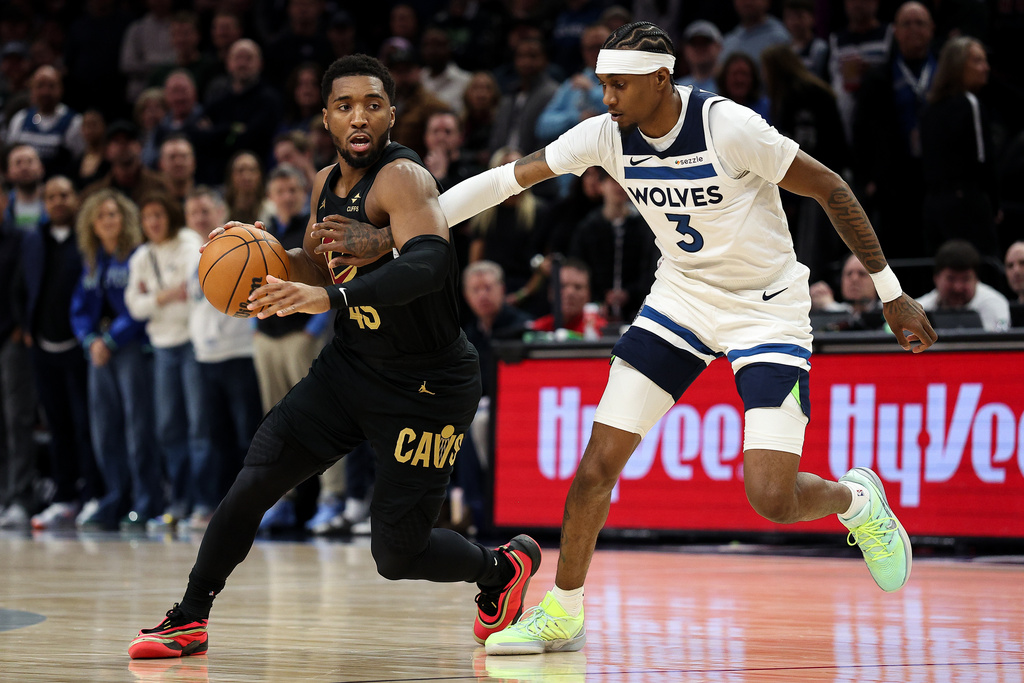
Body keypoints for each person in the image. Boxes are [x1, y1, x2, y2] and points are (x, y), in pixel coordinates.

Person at [326, 21, 938, 656]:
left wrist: (892, 292)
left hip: (766, 311)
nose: (607, 98)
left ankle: (857, 500)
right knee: (597, 465)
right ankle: (563, 611)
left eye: (618, 85)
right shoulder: (605, 135)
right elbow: (507, 179)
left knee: (771, 498)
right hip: (681, 299)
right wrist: (404, 233)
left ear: (661, 81)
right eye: (603, 84)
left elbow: (833, 189)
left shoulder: (730, 128)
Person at [128, 54, 540, 660]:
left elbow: (431, 263)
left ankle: (501, 569)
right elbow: (317, 263)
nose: (359, 116)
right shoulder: (324, 184)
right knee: (254, 481)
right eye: (344, 105)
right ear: (325, 118)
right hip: (351, 367)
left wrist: (331, 295)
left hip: (425, 385)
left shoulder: (405, 180)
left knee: (398, 554)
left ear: (392, 114)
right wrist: (263, 258)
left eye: (373, 103)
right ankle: (189, 617)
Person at [70, 189, 161, 531]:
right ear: (91, 224)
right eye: (101, 215)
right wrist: (90, 340)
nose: (109, 220)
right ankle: (114, 497)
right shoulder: (91, 259)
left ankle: (145, 500)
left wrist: (110, 339)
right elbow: (78, 307)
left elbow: (137, 308)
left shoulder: (136, 255)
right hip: (99, 352)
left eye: (114, 214)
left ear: (124, 219)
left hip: (131, 349)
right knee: (104, 427)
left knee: (138, 427)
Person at [16, 177, 101, 530]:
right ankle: (64, 497)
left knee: (86, 425)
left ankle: (93, 494)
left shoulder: (87, 241)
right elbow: (20, 285)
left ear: (76, 197)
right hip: (44, 347)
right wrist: (26, 328)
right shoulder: (34, 240)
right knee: (57, 426)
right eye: (51, 196)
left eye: (64, 194)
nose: (57, 201)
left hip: (79, 348)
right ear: (44, 203)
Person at [125, 192, 207, 531]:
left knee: (199, 427)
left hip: (191, 344)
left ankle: (203, 503)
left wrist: (153, 297)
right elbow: (134, 305)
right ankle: (179, 503)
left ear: (169, 216)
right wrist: (164, 295)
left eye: (159, 215)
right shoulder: (141, 256)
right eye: (148, 217)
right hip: (161, 346)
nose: (154, 222)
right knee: (169, 427)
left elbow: (191, 293)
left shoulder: (189, 244)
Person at [183, 187, 261, 530]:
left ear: (220, 210)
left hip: (240, 351)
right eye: (194, 212)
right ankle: (209, 506)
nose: (200, 217)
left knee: (248, 435)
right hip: (203, 355)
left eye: (205, 210)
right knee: (209, 437)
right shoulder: (189, 253)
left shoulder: (238, 242)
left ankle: (250, 507)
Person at [852, 1, 936, 261]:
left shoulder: (945, 73)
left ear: (931, 29)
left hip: (936, 178)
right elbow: (861, 131)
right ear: (895, 31)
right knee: (897, 251)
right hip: (893, 182)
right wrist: (867, 179)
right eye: (906, 23)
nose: (913, 29)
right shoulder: (878, 77)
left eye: (920, 23)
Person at [920, 36, 999, 258]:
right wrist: (993, 203)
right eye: (977, 61)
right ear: (957, 66)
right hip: (967, 205)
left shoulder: (928, 109)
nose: (985, 68)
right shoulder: (969, 103)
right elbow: (983, 160)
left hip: (933, 205)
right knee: (980, 268)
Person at [6, 65, 85, 178]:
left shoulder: (74, 122)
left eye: (51, 86)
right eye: (40, 86)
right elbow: (11, 157)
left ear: (61, 89)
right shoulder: (20, 119)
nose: (45, 92)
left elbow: (79, 160)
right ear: (31, 88)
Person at [916, 239, 1011, 332]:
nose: (958, 288)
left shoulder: (995, 305)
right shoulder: (917, 311)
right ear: (936, 278)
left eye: (965, 279)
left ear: (977, 280)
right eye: (951, 279)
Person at [527, 259, 608, 336]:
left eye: (578, 287)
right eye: (562, 286)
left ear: (588, 294)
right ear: (550, 292)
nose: (570, 293)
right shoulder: (537, 330)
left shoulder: (601, 331)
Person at [809, 253, 883, 330]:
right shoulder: (834, 309)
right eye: (849, 274)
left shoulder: (888, 312)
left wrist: (830, 308)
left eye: (862, 274)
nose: (854, 279)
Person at [675, 20, 723, 94]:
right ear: (685, 49)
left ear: (718, 47)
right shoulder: (677, 89)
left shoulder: (731, 86)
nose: (699, 48)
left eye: (705, 43)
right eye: (694, 44)